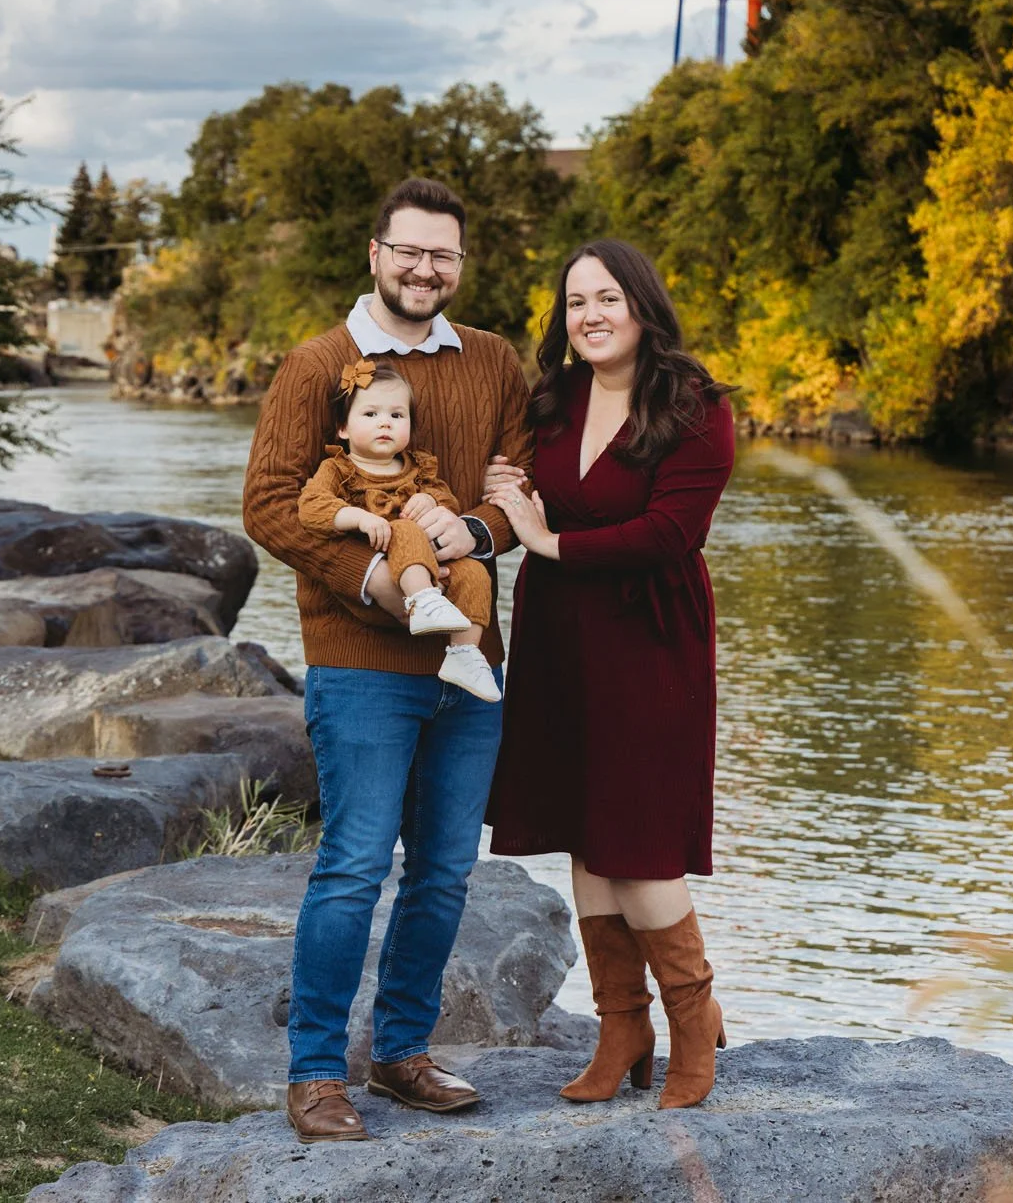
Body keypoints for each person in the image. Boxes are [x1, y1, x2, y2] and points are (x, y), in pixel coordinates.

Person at [242, 178, 533, 1144]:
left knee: (447, 870)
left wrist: (475, 530)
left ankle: (402, 1052)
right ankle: (318, 1074)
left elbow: (519, 497)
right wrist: (373, 582)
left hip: (470, 661)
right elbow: (272, 505)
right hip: (361, 661)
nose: (425, 268)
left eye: (442, 254)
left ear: (460, 263)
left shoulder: (494, 364)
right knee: (355, 864)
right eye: (408, 250)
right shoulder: (320, 363)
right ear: (375, 254)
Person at [483, 238, 736, 1110]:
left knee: (638, 842)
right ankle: (621, 1024)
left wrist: (549, 540)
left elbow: (672, 535)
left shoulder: (696, 407)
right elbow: (519, 491)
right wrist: (503, 502)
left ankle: (694, 1025)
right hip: (559, 638)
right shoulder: (553, 398)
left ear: (641, 306)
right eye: (575, 300)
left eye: (607, 299)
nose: (589, 315)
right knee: (583, 833)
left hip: (649, 641)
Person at [297, 361, 502, 702]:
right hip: (387, 571)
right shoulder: (338, 469)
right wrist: (357, 518)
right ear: (343, 428)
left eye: (396, 415)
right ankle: (422, 601)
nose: (384, 423)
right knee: (404, 528)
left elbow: (446, 500)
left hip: (431, 562)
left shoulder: (418, 468)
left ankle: (464, 655)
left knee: (476, 573)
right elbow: (311, 507)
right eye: (371, 414)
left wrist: (430, 501)